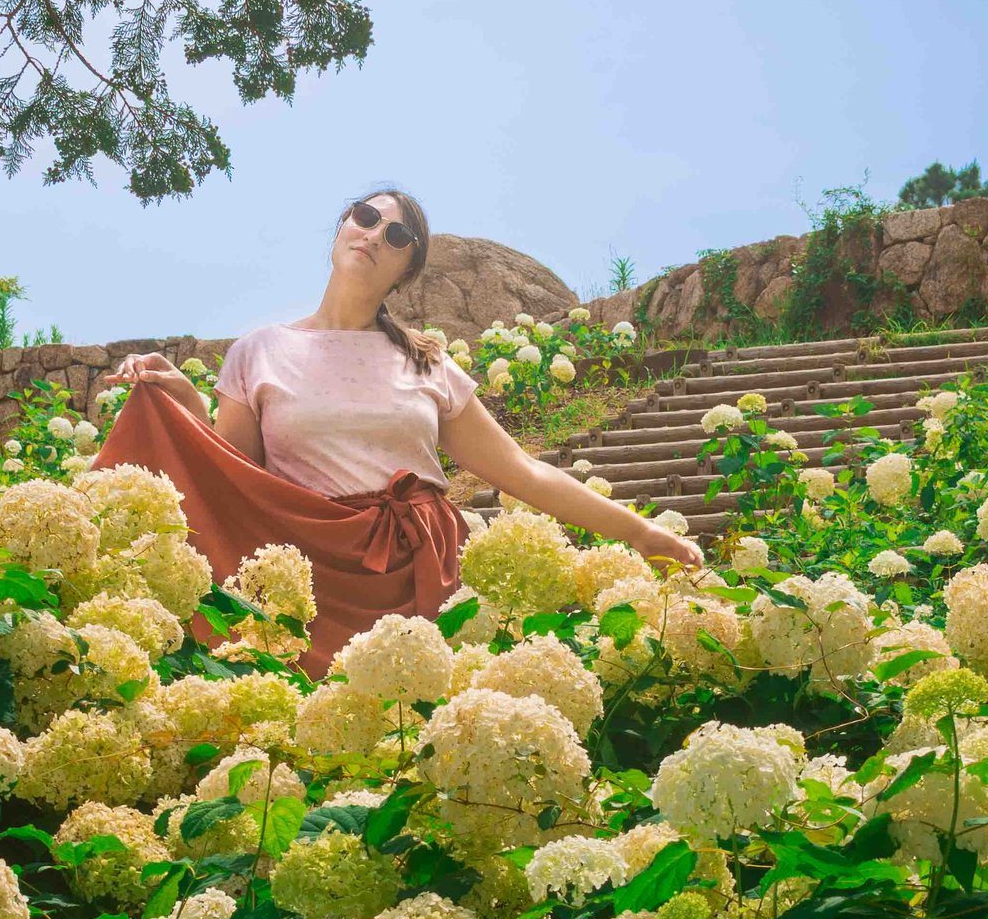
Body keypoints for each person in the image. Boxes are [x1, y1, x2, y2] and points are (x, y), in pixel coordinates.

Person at [90, 188, 703, 672]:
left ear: (407, 271)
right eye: (364, 216)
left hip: (425, 569)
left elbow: (521, 472)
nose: (374, 233)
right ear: (341, 228)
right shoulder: (259, 352)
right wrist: (184, 403)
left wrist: (642, 532)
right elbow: (237, 481)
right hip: (311, 578)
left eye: (397, 234)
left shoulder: (426, 361)